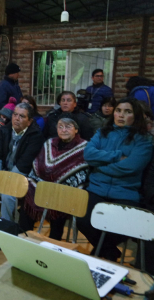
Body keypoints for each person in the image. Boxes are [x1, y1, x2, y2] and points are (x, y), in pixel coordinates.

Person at [77, 97, 153, 261]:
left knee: (116, 228)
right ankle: (109, 252)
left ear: (136, 116)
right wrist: (117, 156)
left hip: (125, 193)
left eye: (127, 112)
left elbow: (129, 167)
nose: (121, 115)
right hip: (96, 189)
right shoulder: (102, 132)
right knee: (82, 220)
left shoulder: (144, 140)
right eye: (118, 110)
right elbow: (88, 155)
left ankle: (101, 252)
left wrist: (99, 165)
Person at [19, 117, 89, 240]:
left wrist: (55, 184)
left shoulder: (83, 147)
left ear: (76, 130)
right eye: (60, 126)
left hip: (65, 190)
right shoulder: (49, 143)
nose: (64, 130)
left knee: (60, 200)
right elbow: (39, 165)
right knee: (29, 193)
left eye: (68, 126)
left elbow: (81, 172)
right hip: (42, 185)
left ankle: (53, 242)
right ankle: (24, 236)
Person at [0, 103, 44, 221]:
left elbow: (25, 162)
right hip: (2, 172)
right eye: (15, 114)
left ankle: (6, 224)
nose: (17, 118)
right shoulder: (4, 130)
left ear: (29, 121)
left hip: (21, 175)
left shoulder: (36, 135)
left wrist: (7, 180)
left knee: (7, 194)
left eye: (22, 116)